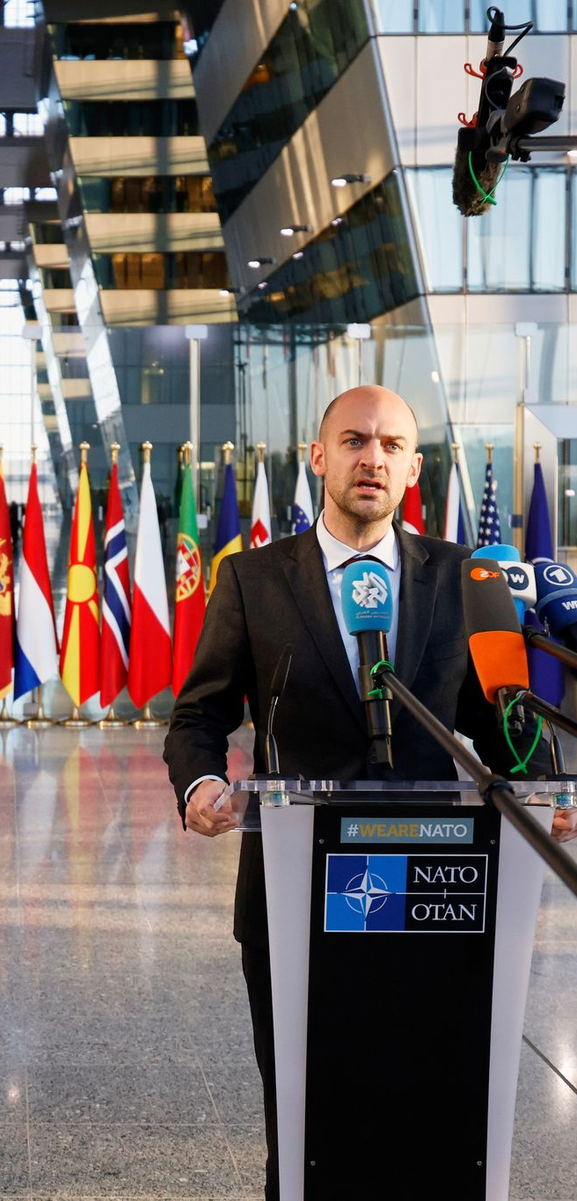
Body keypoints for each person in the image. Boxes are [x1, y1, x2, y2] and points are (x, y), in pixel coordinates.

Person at [163, 385, 576, 1200]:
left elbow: (498, 718)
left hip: (440, 890)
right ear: (319, 457)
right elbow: (199, 713)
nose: (372, 458)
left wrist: (542, 791)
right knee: (307, 1123)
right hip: (294, 894)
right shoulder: (252, 578)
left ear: (414, 468)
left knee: (428, 1115)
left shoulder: (464, 579)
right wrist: (203, 780)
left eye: (391, 445)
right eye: (354, 440)